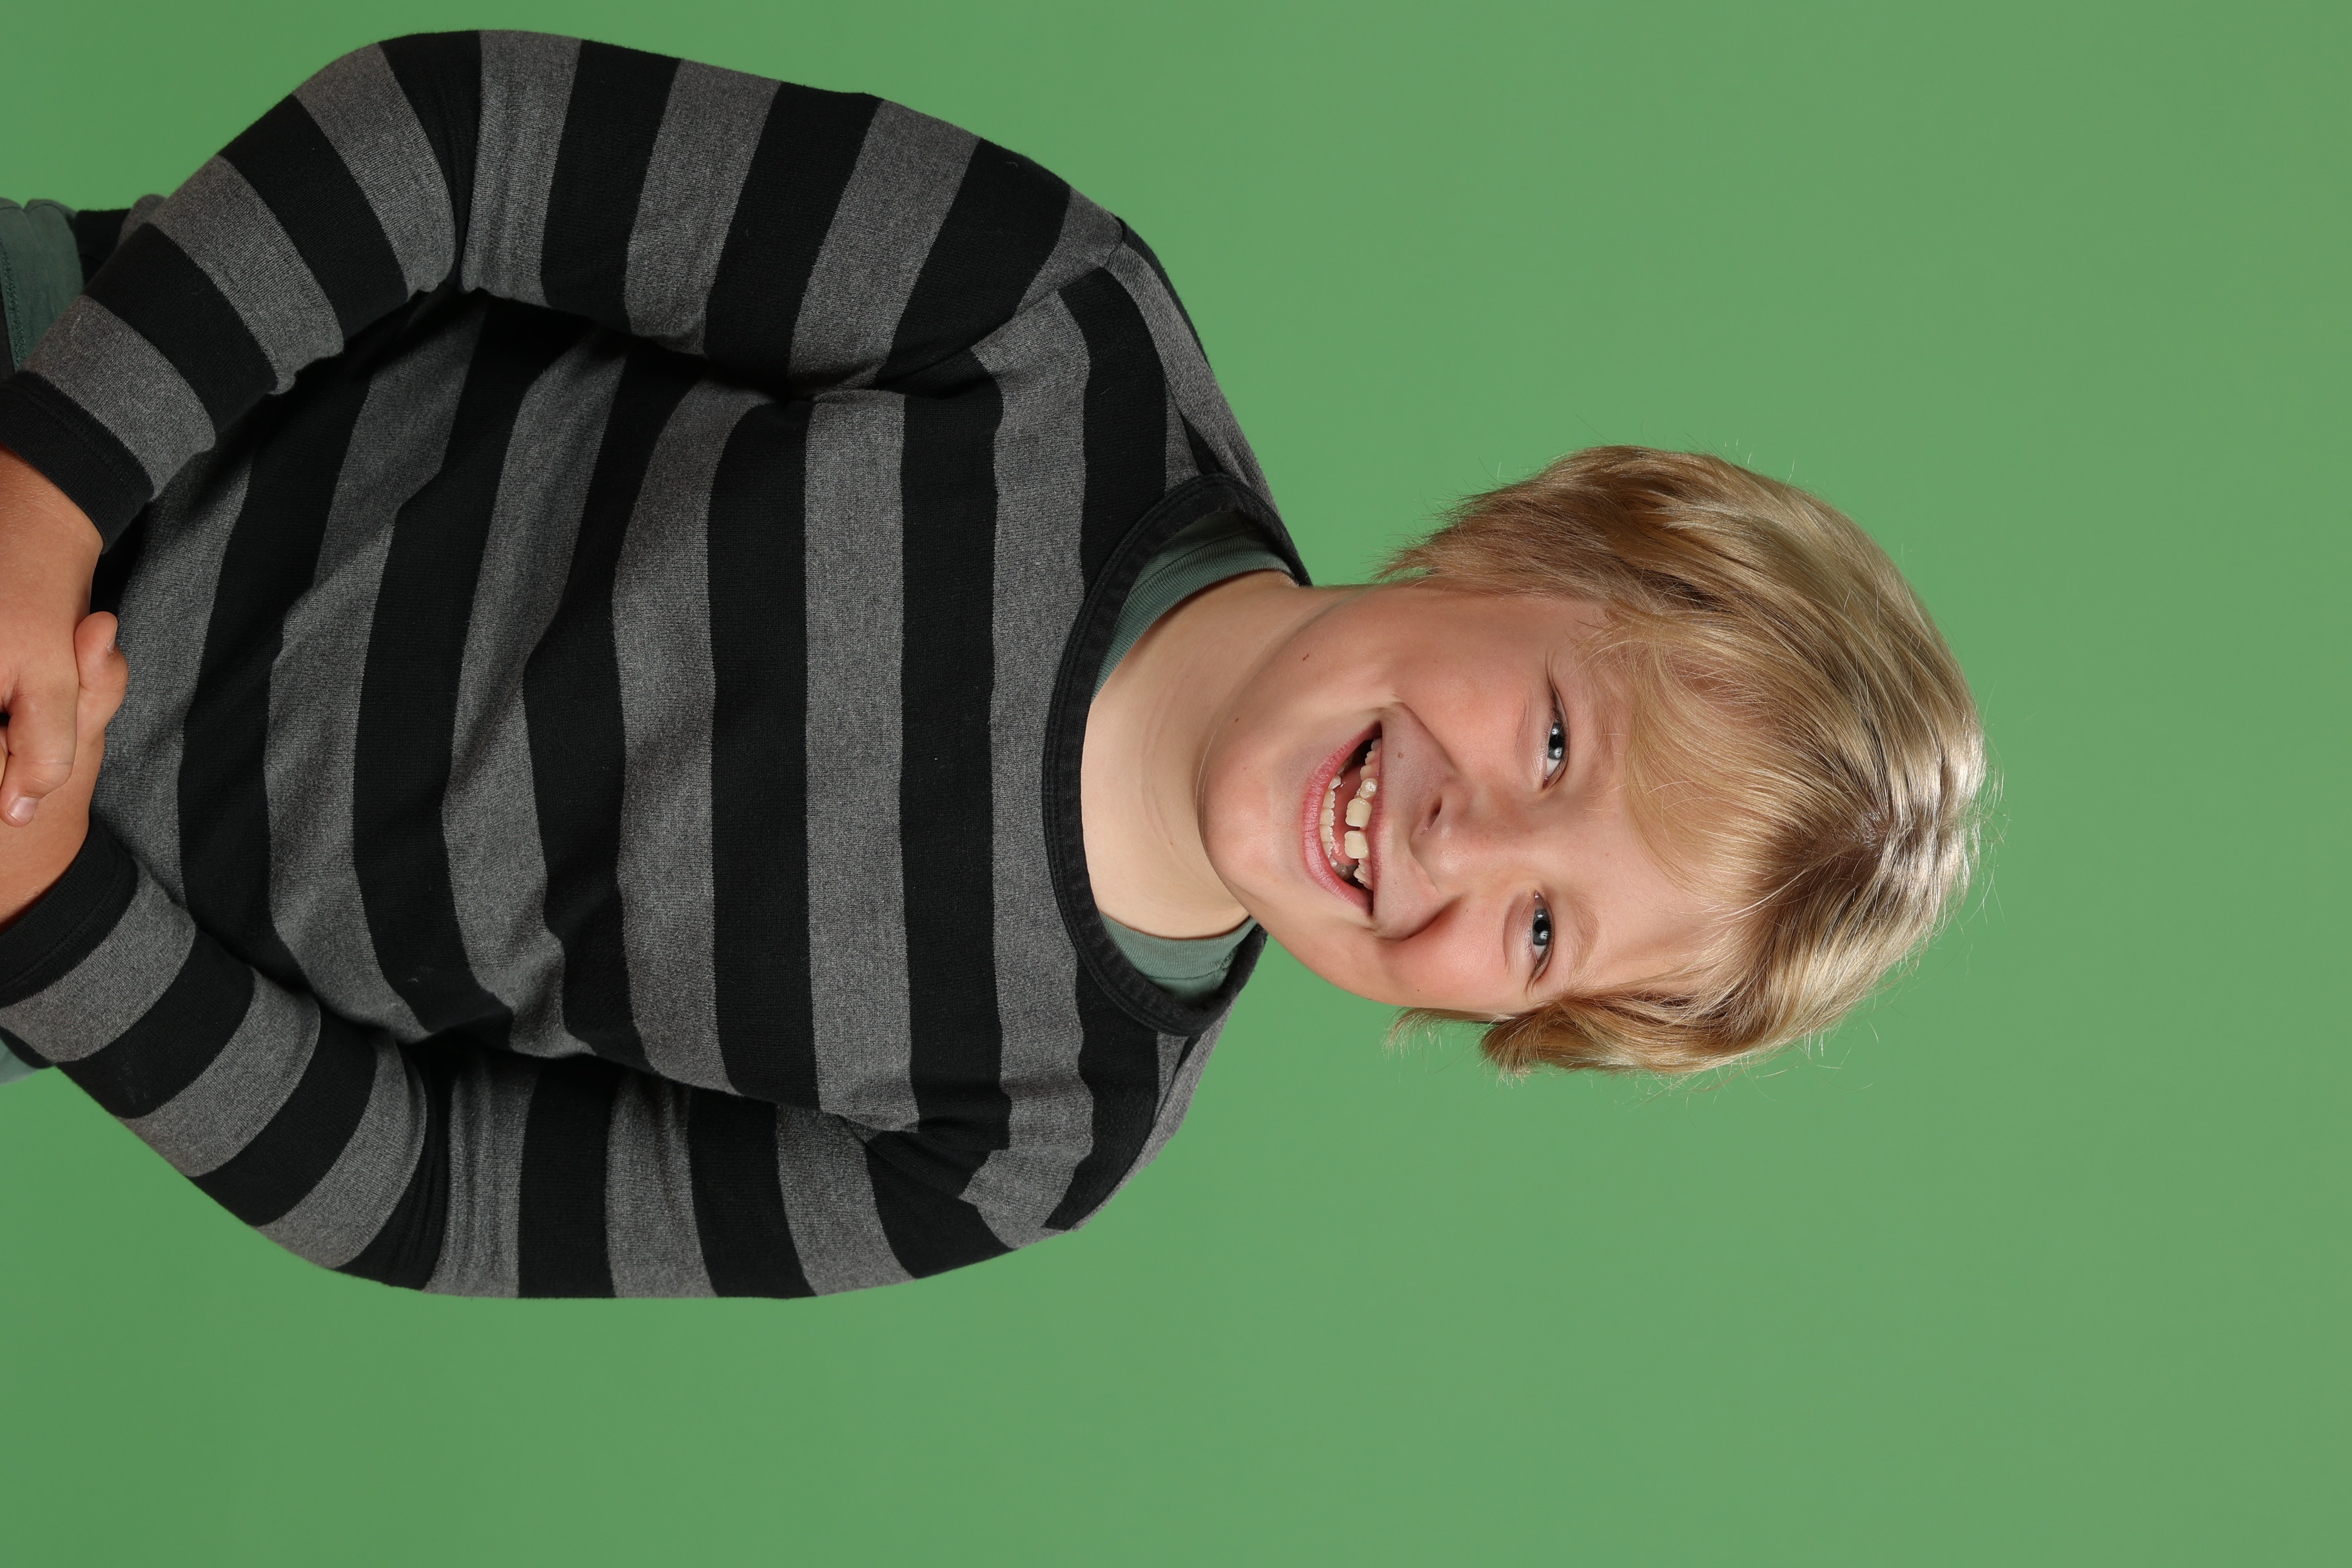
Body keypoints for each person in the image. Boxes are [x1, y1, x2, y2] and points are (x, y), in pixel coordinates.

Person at [0, 32, 1984, 1297]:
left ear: (1514, 1026)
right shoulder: (1054, 337)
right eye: (1555, 740)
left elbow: (447, 1193)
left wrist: (56, 902)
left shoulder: (1042, 1136)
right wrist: (49, 506)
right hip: (58, 403)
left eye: (1545, 935)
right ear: (1524, 549)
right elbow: (462, 145)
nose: (1470, 846)